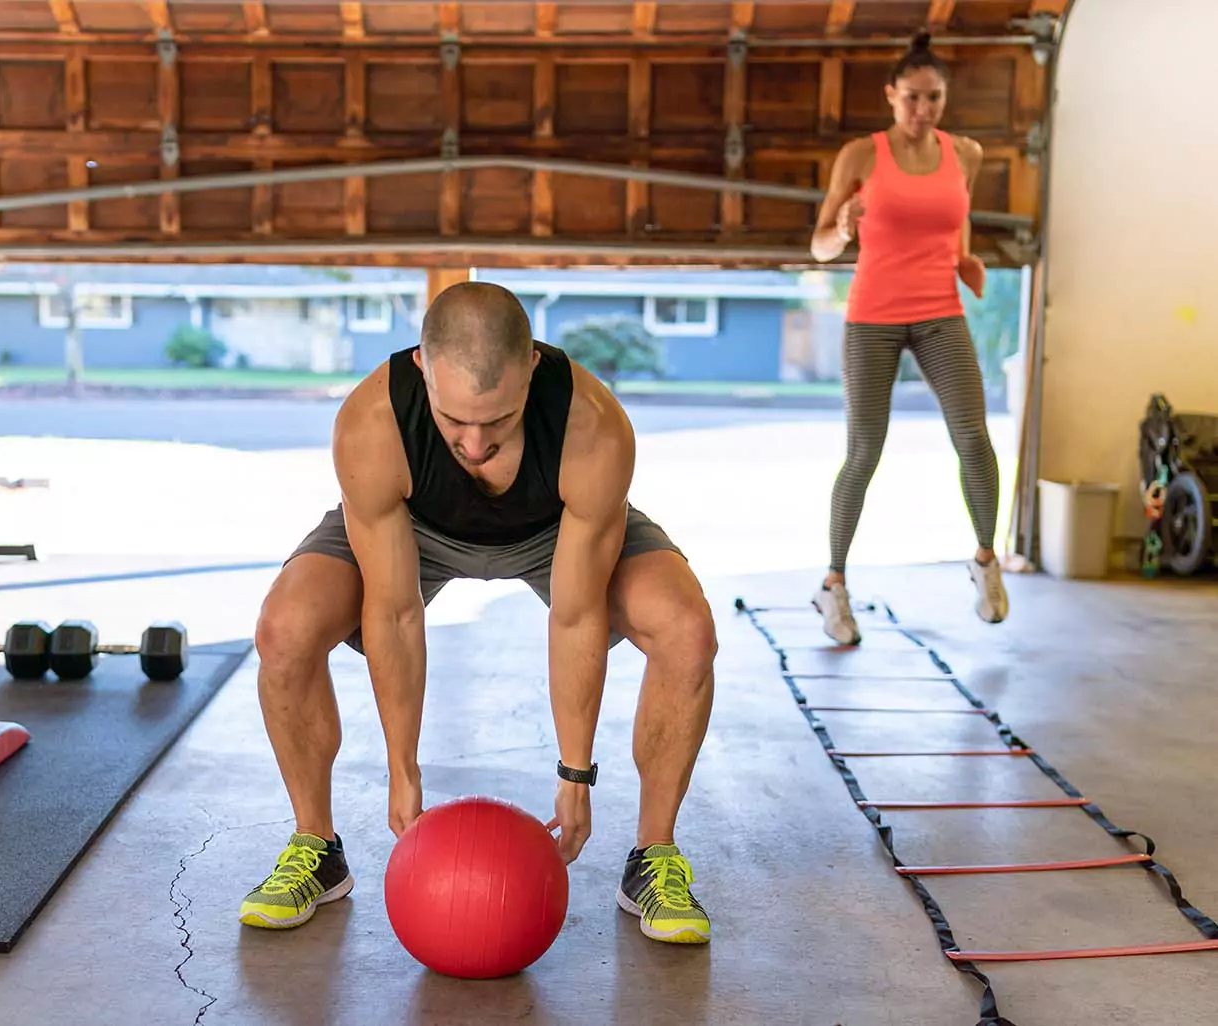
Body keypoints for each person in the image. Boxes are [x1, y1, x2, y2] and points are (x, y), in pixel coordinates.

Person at [237, 281, 718, 945]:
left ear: (532, 369)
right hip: (412, 528)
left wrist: (575, 775)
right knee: (283, 629)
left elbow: (576, 618)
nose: (472, 442)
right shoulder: (372, 423)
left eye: (497, 419)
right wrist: (403, 770)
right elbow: (396, 611)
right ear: (421, 369)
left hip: (557, 529)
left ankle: (653, 857)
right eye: (452, 418)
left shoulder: (592, 427)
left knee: (686, 631)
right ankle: (317, 848)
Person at [808, 29, 1009, 646]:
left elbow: (958, 216)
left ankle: (985, 562)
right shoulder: (862, 156)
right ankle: (834, 585)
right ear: (891, 95)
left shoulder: (964, 153)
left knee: (973, 435)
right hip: (873, 314)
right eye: (912, 98)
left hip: (938, 311)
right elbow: (818, 247)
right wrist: (842, 228)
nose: (922, 111)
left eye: (934, 99)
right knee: (865, 449)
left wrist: (966, 259)